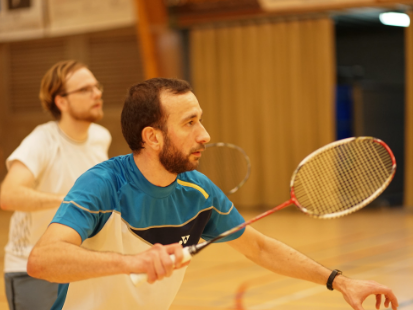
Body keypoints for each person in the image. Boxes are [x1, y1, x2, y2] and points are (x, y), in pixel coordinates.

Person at [27, 78, 398, 310]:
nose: (204, 134)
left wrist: (340, 281)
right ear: (152, 137)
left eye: (199, 119)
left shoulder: (198, 191)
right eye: (189, 123)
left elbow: (260, 247)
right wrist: (133, 262)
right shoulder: (105, 184)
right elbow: (42, 260)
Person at [0, 60, 111, 310]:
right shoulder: (41, 141)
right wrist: (70, 201)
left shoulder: (100, 137)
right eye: (85, 89)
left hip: (76, 264)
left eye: (96, 86)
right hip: (31, 267)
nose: (97, 93)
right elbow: (8, 195)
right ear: (61, 101)